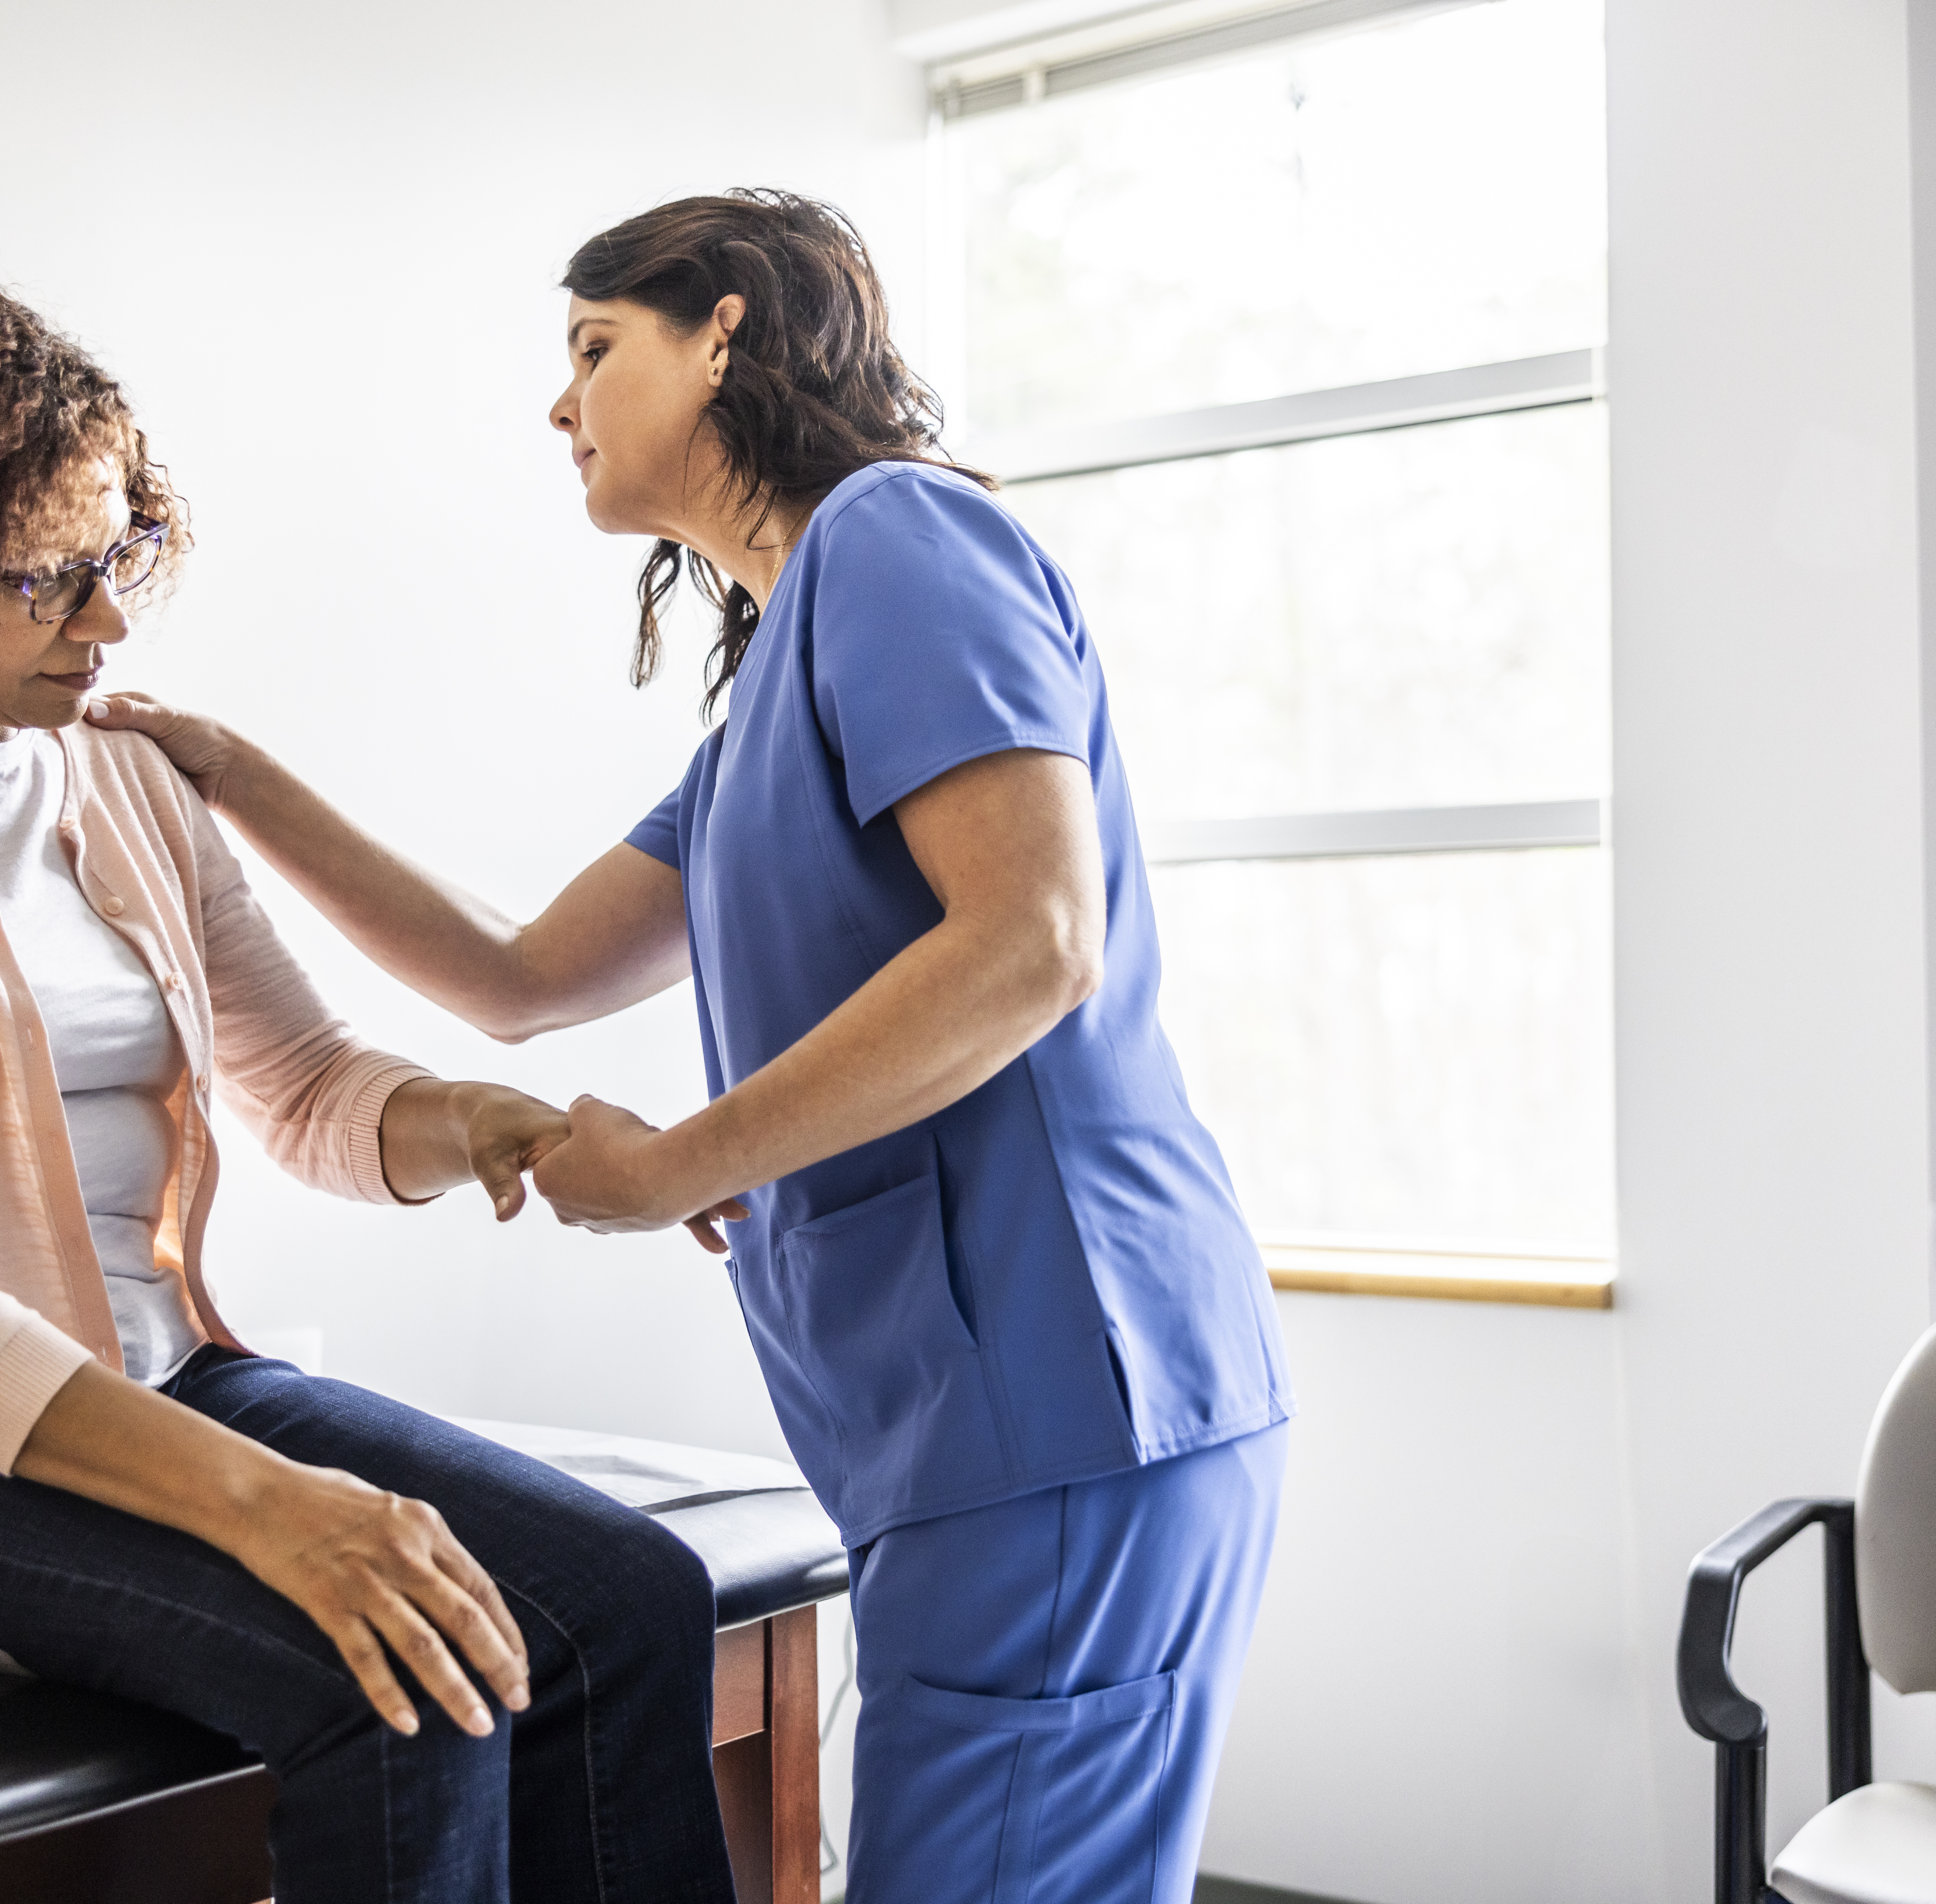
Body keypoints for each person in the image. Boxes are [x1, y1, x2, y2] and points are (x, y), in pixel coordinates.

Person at [91, 191, 1297, 1903]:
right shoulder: (767, 703)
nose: (560, 403)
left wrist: (682, 1163)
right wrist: (222, 770)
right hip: (976, 1437)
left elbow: (1031, 942)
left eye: (594, 349)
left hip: (1064, 1390)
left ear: (723, 330)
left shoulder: (898, 538)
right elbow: (516, 977)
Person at [0, 270, 737, 1904]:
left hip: (131, 1381)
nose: (110, 620)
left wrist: (487, 1124)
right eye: (52, 578)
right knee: (401, 1677)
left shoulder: (120, 769)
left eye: (118, 555)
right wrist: (273, 1507)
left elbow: (300, 1081)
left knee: (627, 1600)